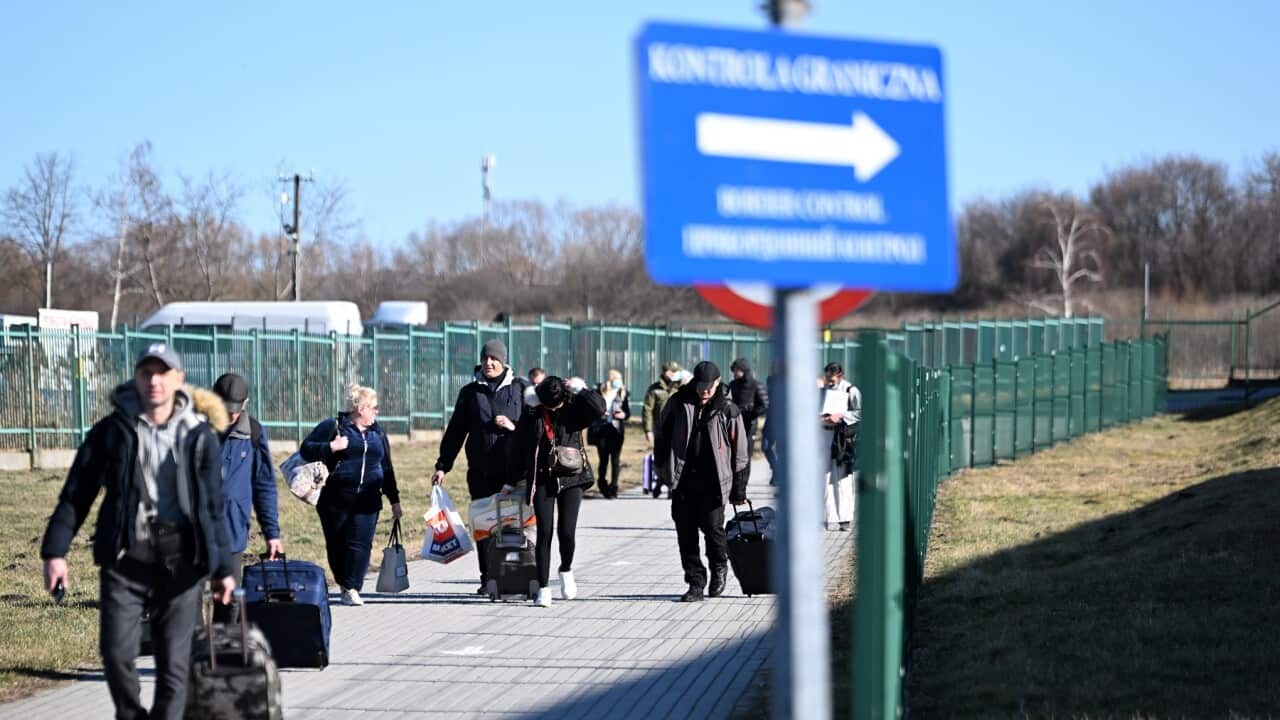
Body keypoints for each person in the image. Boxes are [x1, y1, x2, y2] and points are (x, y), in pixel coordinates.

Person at [40, 342, 237, 720]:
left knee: (174, 669)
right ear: (136, 376)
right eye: (146, 372)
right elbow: (76, 494)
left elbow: (212, 508)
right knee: (116, 655)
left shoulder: (199, 436)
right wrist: (55, 553)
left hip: (182, 566)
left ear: (179, 379)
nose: (154, 381)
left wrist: (224, 569)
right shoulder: (113, 430)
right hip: (125, 561)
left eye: (163, 372)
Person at [431, 339, 530, 593]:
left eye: (494, 358)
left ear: (503, 360)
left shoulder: (520, 389)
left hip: (513, 472)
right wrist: (443, 465)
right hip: (481, 471)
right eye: (485, 358)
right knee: (484, 526)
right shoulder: (470, 392)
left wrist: (513, 427)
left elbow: (533, 429)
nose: (489, 363)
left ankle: (510, 576)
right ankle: (488, 579)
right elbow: (456, 431)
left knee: (510, 526)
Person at [653, 360, 749, 602]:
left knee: (713, 530)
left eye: (709, 386)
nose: (705, 391)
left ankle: (719, 566)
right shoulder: (678, 403)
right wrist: (664, 470)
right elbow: (661, 437)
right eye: (701, 386)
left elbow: (740, 452)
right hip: (684, 480)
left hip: (714, 482)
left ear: (717, 382)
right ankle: (695, 582)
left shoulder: (728, 409)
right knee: (685, 533)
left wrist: (739, 488)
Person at [300, 384, 402, 606]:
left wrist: (394, 500)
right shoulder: (334, 426)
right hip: (334, 500)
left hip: (368, 500)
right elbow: (306, 448)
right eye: (374, 407)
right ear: (360, 408)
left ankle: (352, 586)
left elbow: (386, 467)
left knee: (361, 545)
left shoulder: (378, 432)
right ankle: (343, 583)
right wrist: (331, 447)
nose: (377, 411)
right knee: (337, 544)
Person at [511, 376, 606, 607]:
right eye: (547, 405)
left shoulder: (575, 408)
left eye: (555, 405)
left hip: (572, 477)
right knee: (544, 532)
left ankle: (566, 569)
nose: (552, 409)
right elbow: (518, 446)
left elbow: (600, 408)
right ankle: (543, 587)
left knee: (567, 532)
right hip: (543, 477)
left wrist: (581, 389)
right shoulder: (533, 411)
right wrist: (512, 479)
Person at [211, 372, 283, 621]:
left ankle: (220, 656)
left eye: (234, 409)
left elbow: (264, 485)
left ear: (245, 403)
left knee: (229, 602)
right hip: (194, 533)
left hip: (232, 531)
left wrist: (272, 533)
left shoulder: (252, 433)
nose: (230, 415)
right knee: (187, 604)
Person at [820, 362, 862, 531]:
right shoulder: (822, 391)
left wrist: (842, 415)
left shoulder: (850, 390)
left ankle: (844, 518)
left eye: (833, 379)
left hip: (842, 439)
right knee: (825, 478)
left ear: (840, 376)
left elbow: (860, 412)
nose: (830, 382)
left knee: (842, 479)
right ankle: (828, 517)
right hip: (824, 436)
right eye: (828, 379)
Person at [593, 368, 630, 498]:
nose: (620, 382)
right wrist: (601, 413)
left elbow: (627, 412)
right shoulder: (600, 392)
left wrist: (623, 414)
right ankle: (602, 484)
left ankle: (614, 487)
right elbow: (593, 410)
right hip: (602, 429)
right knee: (603, 460)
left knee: (615, 460)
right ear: (611, 379)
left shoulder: (622, 393)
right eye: (618, 379)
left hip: (616, 430)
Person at [728, 358, 769, 476]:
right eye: (734, 370)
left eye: (737, 370)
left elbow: (764, 405)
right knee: (733, 454)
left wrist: (751, 414)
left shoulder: (756, 385)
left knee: (745, 456)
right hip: (734, 424)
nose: (735, 373)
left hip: (749, 425)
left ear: (743, 370)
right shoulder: (733, 385)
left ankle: (743, 485)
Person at [642, 361, 681, 447]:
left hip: (678, 429)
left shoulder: (681, 388)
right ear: (664, 372)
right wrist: (648, 430)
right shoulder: (654, 389)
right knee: (661, 457)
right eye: (670, 371)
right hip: (660, 430)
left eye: (675, 371)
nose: (673, 374)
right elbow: (647, 409)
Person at [760, 364, 780, 481]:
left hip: (783, 420)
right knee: (765, 446)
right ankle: (776, 469)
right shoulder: (770, 380)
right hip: (770, 418)